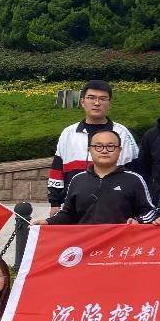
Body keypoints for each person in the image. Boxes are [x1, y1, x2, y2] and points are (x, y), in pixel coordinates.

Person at [46, 79, 140, 219]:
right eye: (91, 98)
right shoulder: (68, 133)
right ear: (82, 102)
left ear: (109, 103)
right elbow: (57, 169)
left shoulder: (122, 134)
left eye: (102, 99)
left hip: (112, 207)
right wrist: (55, 203)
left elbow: (134, 171)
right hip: (72, 207)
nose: (97, 103)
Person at [43, 128, 159, 225]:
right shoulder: (77, 180)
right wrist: (47, 222)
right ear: (90, 150)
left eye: (110, 146)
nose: (104, 151)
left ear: (119, 150)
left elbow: (150, 212)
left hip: (121, 242)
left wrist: (138, 220)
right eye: (98, 146)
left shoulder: (133, 180)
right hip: (86, 242)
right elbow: (67, 214)